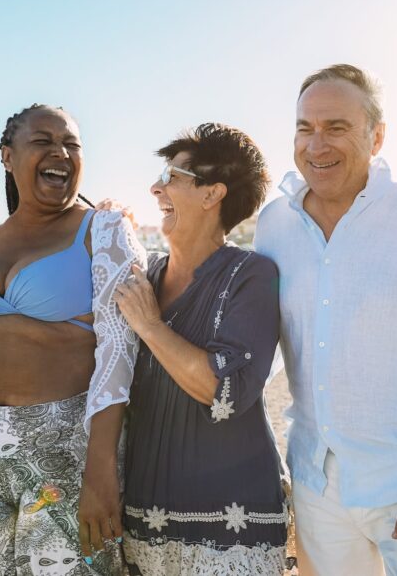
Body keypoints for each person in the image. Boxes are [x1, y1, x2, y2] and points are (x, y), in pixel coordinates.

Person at [254, 64, 397, 576]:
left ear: (376, 136)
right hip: (315, 483)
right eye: (304, 128)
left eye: (336, 127)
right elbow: (261, 346)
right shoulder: (273, 226)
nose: (317, 145)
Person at [0, 104, 145, 575]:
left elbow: (119, 351)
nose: (60, 152)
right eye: (42, 141)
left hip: (62, 448)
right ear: (7, 156)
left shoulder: (102, 229)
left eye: (71, 144)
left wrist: (101, 467)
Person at [112, 122, 288, 574]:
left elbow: (223, 389)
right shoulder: (142, 276)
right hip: (141, 519)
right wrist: (105, 229)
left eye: (173, 176)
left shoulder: (252, 275)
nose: (156, 187)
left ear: (213, 195)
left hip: (233, 528)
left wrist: (151, 326)